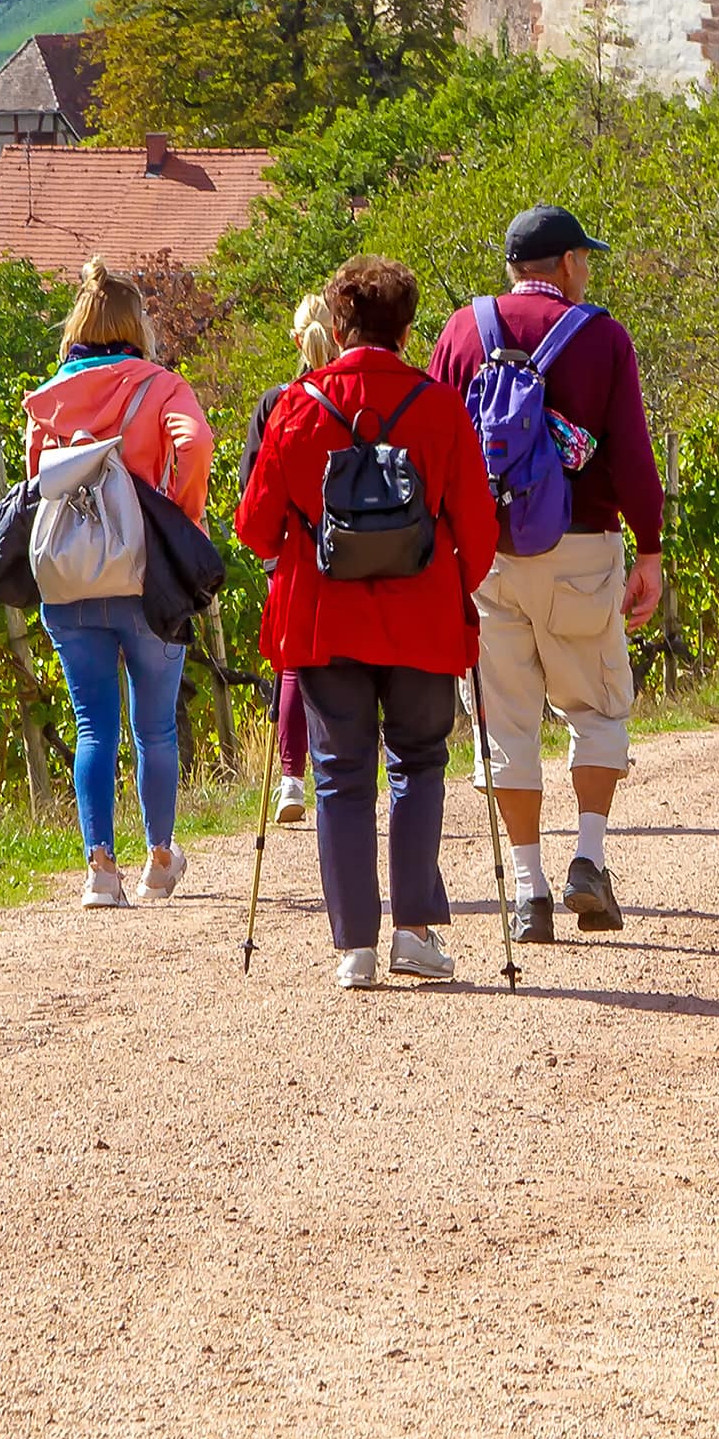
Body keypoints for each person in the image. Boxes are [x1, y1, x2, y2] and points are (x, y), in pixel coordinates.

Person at [234, 254, 499, 988]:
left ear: (338, 324)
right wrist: (449, 585)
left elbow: (254, 529)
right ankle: (414, 933)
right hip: (420, 619)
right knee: (419, 762)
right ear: (407, 329)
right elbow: (476, 533)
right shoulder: (441, 407)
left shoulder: (294, 406)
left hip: (323, 623)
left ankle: (354, 946)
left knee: (339, 777)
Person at [428, 204, 665, 943]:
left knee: (505, 720)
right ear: (563, 265)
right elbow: (629, 452)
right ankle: (586, 859)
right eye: (582, 257)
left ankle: (528, 888)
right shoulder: (601, 336)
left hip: (487, 555)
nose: (587, 269)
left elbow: (436, 438)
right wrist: (650, 547)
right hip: (581, 546)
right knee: (597, 709)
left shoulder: (462, 331)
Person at [21, 258, 217, 912]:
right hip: (143, 574)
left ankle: (99, 869)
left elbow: (34, 480)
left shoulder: (49, 395)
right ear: (136, 326)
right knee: (154, 727)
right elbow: (195, 446)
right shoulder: (161, 387)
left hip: (70, 577)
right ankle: (159, 857)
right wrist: (176, 513)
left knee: (92, 726)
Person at [239, 294, 340, 827]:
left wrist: (274, 545)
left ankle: (292, 778)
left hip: (295, 554)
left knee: (294, 665)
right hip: (358, 553)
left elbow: (252, 488)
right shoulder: (352, 394)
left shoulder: (278, 401)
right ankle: (347, 774)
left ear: (296, 339)